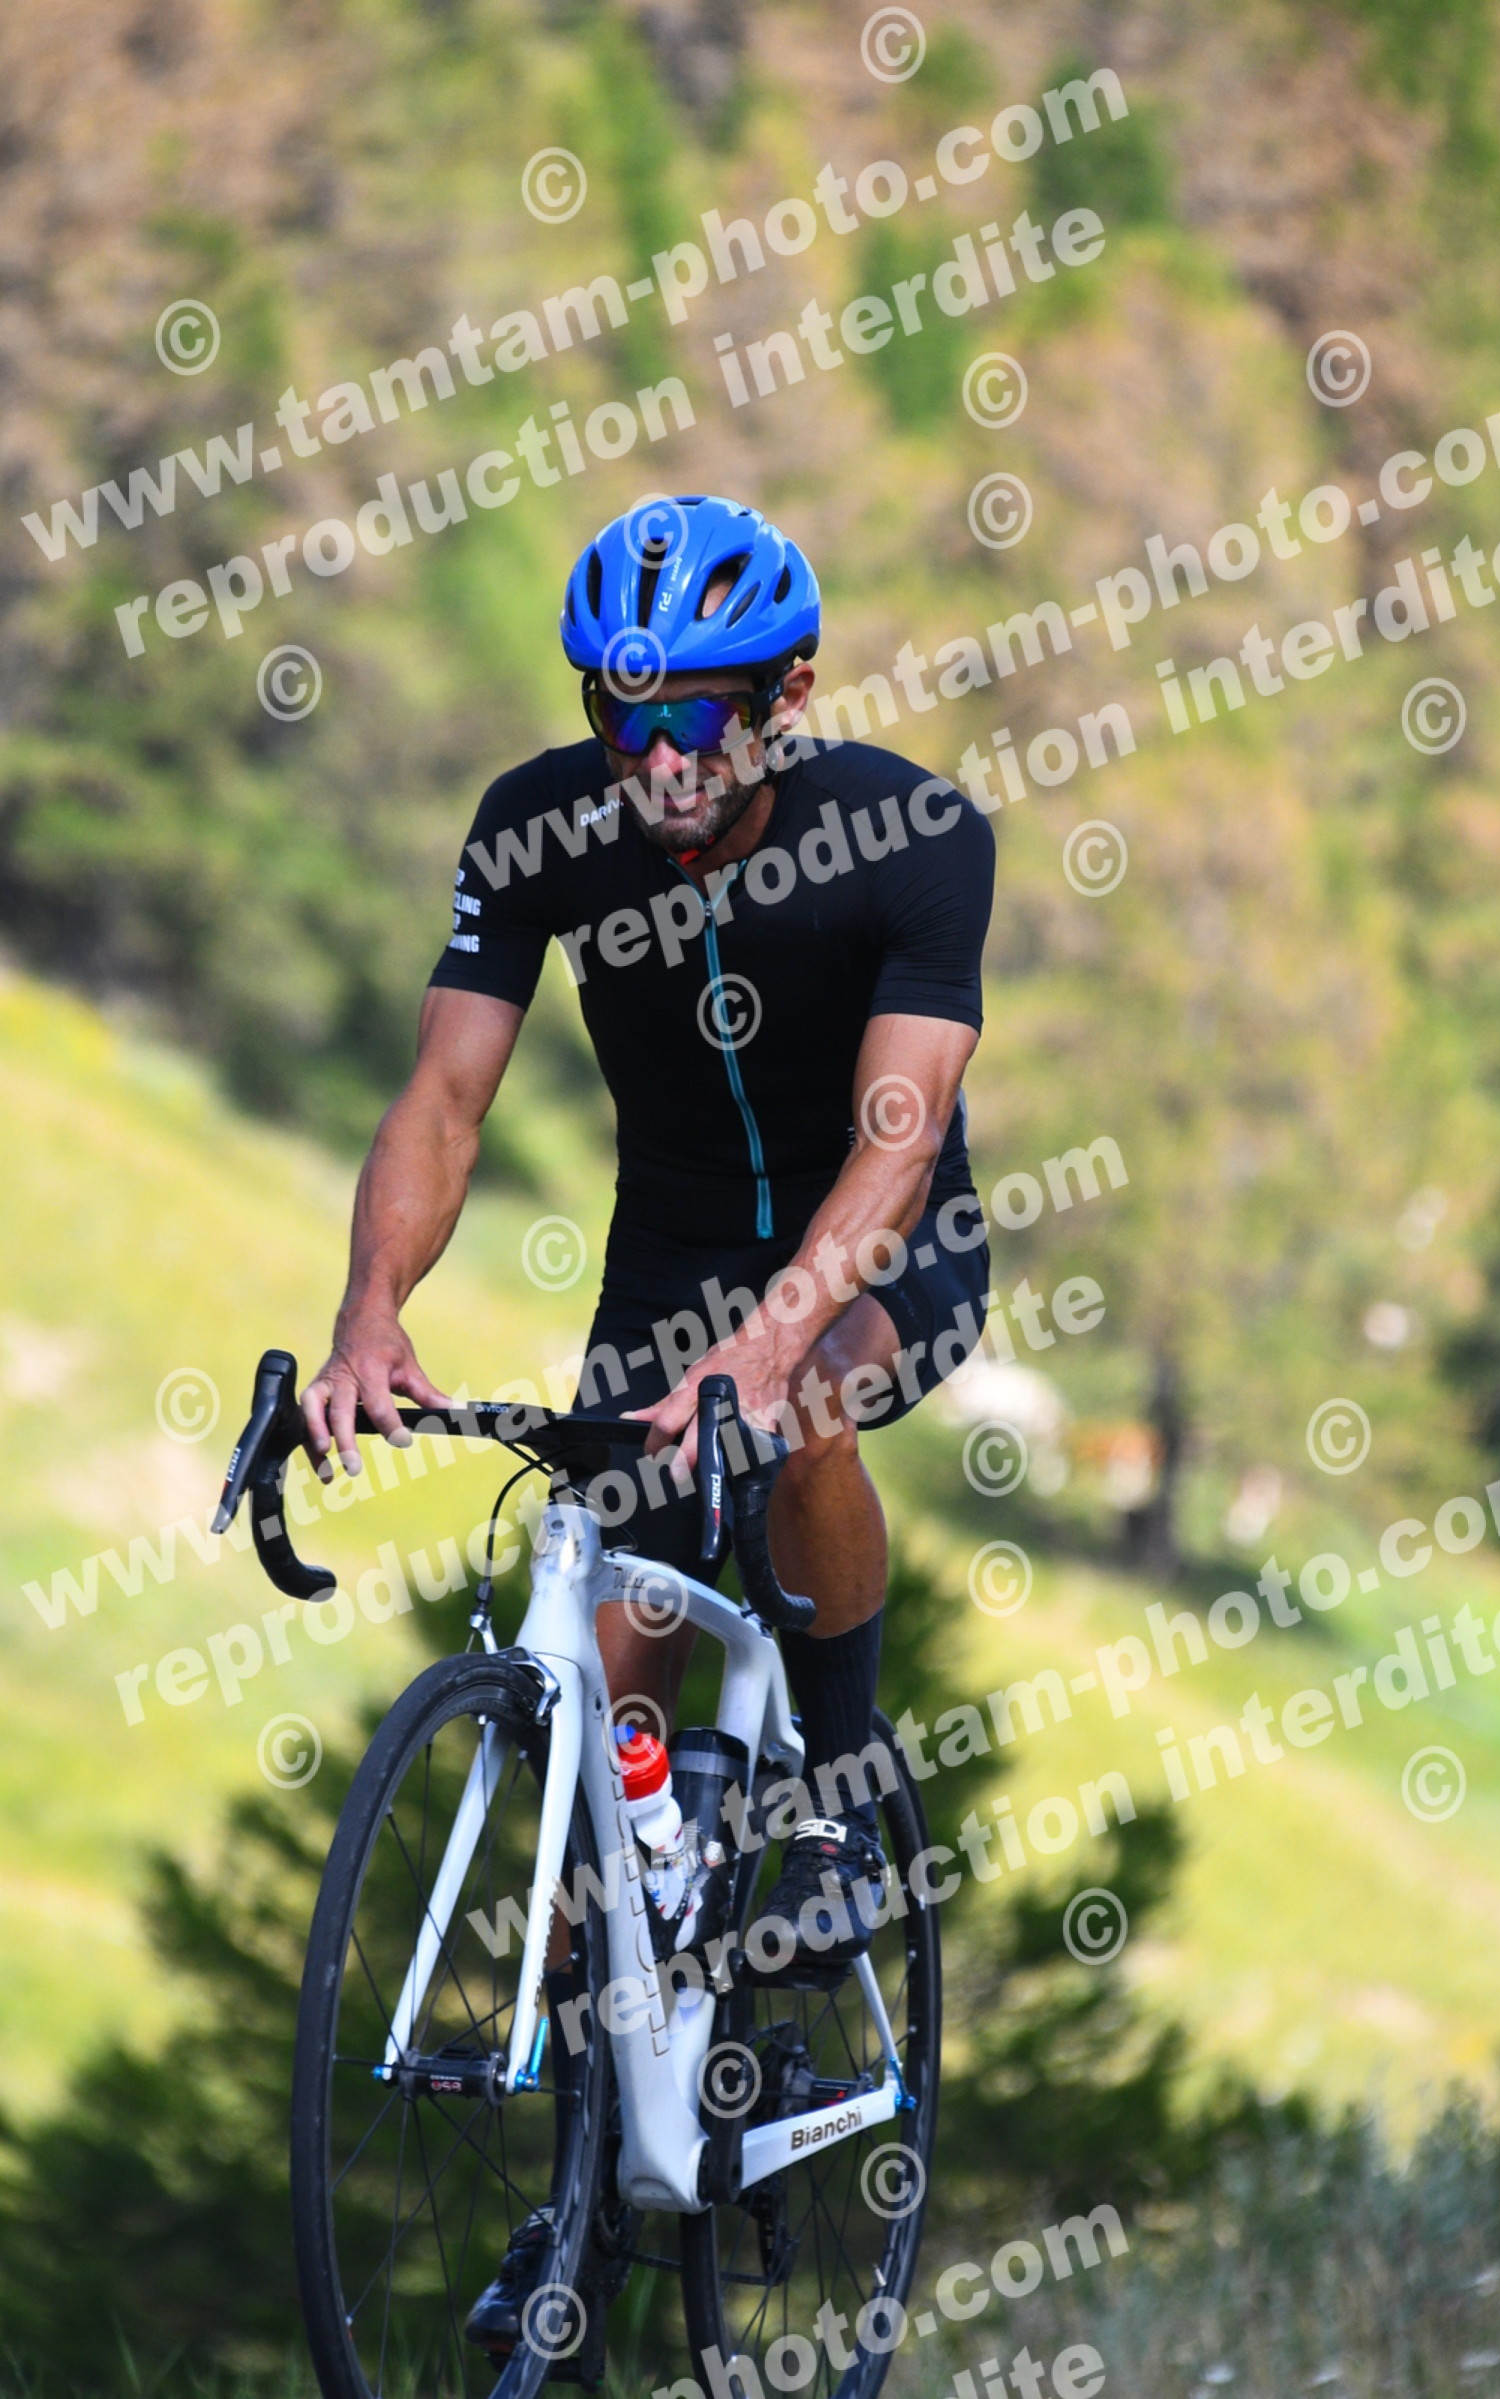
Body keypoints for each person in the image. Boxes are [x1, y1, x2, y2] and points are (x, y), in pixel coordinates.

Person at [300, 493, 992, 2344]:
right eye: (622, 718)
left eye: (693, 716)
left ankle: (833, 1802)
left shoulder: (910, 837)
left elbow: (900, 1139)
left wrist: (771, 1343)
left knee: (807, 1417)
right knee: (599, 1756)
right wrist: (371, 1310)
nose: (656, 760)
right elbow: (447, 1098)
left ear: (789, 694)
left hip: (877, 1253)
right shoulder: (540, 826)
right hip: (668, 1275)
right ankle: (596, 2180)